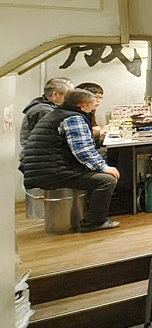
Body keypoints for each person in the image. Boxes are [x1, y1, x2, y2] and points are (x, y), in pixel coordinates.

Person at [22, 89, 121, 232]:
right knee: (107, 180)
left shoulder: (57, 114)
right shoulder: (74, 118)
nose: (95, 106)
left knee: (100, 168)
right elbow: (82, 151)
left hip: (41, 169)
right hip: (52, 172)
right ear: (82, 106)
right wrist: (104, 167)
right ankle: (95, 222)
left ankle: (89, 214)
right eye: (93, 103)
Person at [20, 77, 75, 159]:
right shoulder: (44, 111)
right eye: (69, 94)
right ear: (55, 94)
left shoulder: (46, 106)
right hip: (39, 157)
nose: (71, 98)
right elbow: (56, 135)